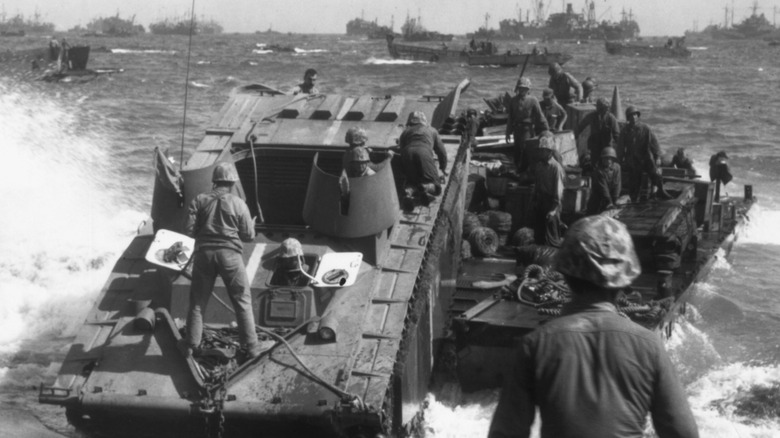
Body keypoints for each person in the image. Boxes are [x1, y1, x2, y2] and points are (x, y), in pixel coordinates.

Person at [489, 215, 700, 438]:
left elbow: (505, 433)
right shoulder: (649, 346)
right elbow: (683, 433)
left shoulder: (537, 345)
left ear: (567, 274)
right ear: (623, 280)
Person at [181, 162, 261, 361]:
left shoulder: (199, 200)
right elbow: (248, 236)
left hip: (204, 255)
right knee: (242, 301)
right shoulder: (239, 203)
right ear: (232, 182)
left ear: (214, 181)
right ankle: (251, 348)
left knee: (197, 303)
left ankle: (191, 346)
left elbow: (189, 231)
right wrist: (251, 224)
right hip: (230, 256)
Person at [620, 105, 673, 201]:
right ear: (628, 117)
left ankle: (660, 191)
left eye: (635, 115)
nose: (633, 117)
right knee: (634, 182)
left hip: (646, 158)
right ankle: (634, 199)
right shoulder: (625, 131)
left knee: (656, 174)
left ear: (638, 116)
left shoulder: (646, 128)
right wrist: (619, 160)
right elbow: (620, 147)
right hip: (633, 160)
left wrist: (657, 157)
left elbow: (655, 144)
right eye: (631, 115)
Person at [399, 111, 448, 205]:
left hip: (407, 153)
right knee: (437, 188)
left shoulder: (405, 132)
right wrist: (443, 167)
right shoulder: (432, 130)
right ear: (424, 120)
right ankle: (425, 187)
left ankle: (408, 192)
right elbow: (441, 151)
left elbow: (401, 150)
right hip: (423, 152)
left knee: (411, 180)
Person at [505, 77, 549, 172]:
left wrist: (546, 129)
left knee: (526, 150)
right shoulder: (513, 100)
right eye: (520, 88)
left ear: (528, 89)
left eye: (524, 88)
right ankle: (518, 170)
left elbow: (540, 116)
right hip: (517, 129)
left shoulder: (533, 100)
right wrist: (508, 132)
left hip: (527, 129)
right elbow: (510, 118)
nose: (522, 90)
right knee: (517, 150)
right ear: (517, 88)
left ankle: (525, 171)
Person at [531, 135, 564, 247]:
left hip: (551, 203)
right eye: (540, 151)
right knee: (539, 236)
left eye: (543, 151)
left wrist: (554, 210)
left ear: (549, 152)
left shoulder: (556, 168)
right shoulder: (539, 166)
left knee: (552, 236)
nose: (541, 153)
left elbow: (558, 192)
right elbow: (537, 185)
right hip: (541, 201)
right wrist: (534, 201)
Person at [578, 97, 620, 164]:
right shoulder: (591, 116)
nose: (602, 110)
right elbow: (581, 126)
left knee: (607, 163)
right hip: (595, 144)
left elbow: (616, 134)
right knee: (594, 163)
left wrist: (619, 147)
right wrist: (574, 136)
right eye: (600, 108)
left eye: (605, 108)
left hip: (606, 145)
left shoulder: (611, 118)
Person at [586, 146, 622, 214]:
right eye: (606, 158)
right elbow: (603, 188)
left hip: (610, 194)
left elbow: (617, 184)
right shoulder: (599, 171)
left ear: (613, 159)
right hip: (598, 197)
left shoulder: (617, 167)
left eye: (610, 158)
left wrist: (615, 199)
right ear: (602, 159)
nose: (608, 161)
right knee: (592, 213)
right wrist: (609, 202)